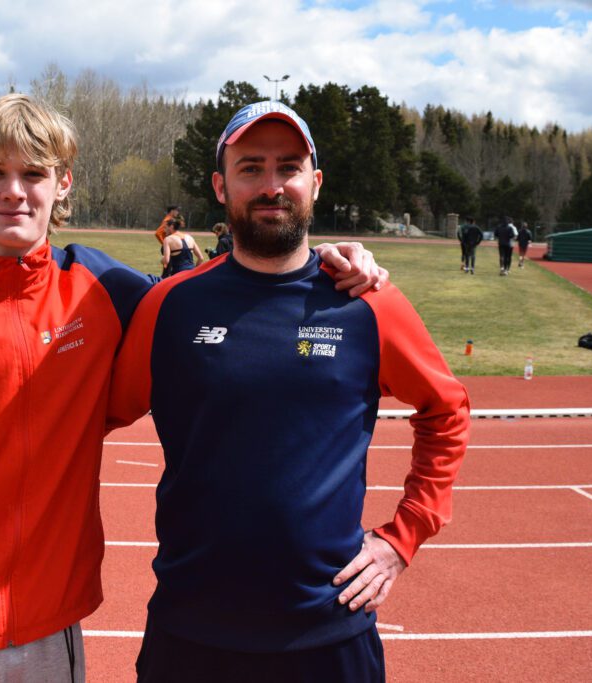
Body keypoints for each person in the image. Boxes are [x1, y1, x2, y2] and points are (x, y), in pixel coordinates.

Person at [0, 93, 389, 683]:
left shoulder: (101, 287)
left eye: (33, 174)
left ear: (63, 183)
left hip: (40, 630)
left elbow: (215, 293)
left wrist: (318, 261)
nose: (12, 191)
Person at [107, 101, 470, 682]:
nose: (271, 186)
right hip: (191, 635)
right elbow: (91, 413)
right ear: (221, 187)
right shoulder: (169, 306)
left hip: (329, 635)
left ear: (315, 183)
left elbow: (446, 408)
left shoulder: (367, 303)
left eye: (289, 167)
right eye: (251, 168)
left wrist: (404, 536)